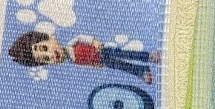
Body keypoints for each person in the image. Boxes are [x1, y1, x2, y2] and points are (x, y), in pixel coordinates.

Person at [8, 30, 159, 83]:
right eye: (46, 59)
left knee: (125, 54)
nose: (50, 55)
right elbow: (85, 62)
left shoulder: (71, 45)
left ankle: (149, 56)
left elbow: (81, 37)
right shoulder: (72, 61)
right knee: (122, 66)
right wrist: (95, 65)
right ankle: (142, 71)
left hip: (101, 51)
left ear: (50, 37)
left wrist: (94, 41)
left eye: (45, 48)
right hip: (100, 60)